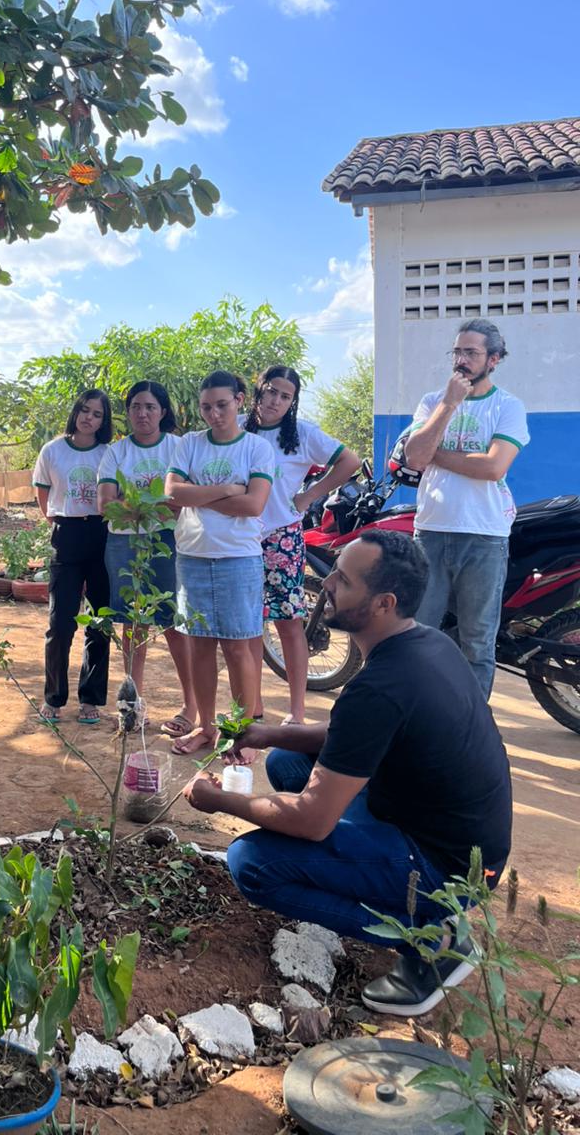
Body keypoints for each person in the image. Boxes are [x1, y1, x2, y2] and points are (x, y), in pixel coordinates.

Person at [184, 531, 512, 1017]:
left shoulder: (381, 686)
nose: (327, 584)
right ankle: (371, 883)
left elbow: (312, 821)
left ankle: (431, 943)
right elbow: (351, 732)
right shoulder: (425, 644)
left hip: (446, 870)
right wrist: (269, 734)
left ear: (384, 603)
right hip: (447, 834)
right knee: (285, 762)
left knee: (252, 863)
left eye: (343, 580)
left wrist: (217, 800)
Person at [404, 318, 529, 699]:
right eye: (457, 351)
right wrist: (449, 404)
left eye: (471, 353)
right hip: (431, 532)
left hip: (484, 536)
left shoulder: (508, 406)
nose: (461, 360)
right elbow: (414, 457)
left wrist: (437, 455)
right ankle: (419, 714)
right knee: (417, 632)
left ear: (493, 359)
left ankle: (471, 723)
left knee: (477, 640)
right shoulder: (433, 402)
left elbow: (493, 467)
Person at [164, 371, 274, 757]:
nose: (214, 414)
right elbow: (172, 493)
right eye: (206, 407)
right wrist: (227, 490)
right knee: (199, 647)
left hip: (238, 559)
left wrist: (197, 495)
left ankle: (241, 735)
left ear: (240, 401)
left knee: (238, 649)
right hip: (192, 557)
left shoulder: (256, 448)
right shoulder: (190, 444)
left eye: (222, 405)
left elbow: (254, 504)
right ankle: (207, 728)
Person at [245, 367, 361, 724]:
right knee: (248, 625)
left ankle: (297, 713)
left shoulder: (302, 434)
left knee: (288, 622)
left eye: (285, 396)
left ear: (293, 401)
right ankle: (252, 707)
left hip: (281, 537)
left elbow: (350, 461)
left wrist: (308, 496)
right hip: (239, 539)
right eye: (271, 391)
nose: (275, 401)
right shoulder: (237, 427)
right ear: (258, 390)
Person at [97, 381, 197, 732]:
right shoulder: (116, 453)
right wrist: (158, 506)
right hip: (123, 545)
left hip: (169, 542)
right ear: (128, 412)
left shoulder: (179, 447)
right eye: (136, 406)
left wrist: (132, 506)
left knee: (173, 624)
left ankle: (190, 705)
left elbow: (184, 502)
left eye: (150, 407)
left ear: (163, 412)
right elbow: (105, 505)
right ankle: (131, 706)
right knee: (133, 624)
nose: (142, 413)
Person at [33, 389, 112, 725]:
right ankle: (53, 698)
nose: (88, 418)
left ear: (104, 420)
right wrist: (55, 521)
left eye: (97, 413)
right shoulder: (52, 450)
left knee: (98, 622)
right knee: (60, 623)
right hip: (66, 534)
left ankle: (90, 699)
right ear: (75, 412)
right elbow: (42, 492)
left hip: (101, 535)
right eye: (84, 410)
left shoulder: (108, 453)